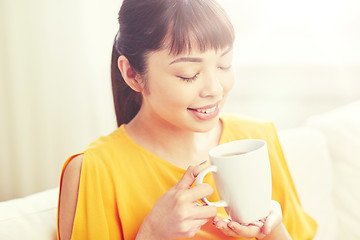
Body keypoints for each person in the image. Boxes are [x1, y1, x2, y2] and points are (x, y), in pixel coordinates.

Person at [57, 0, 318, 239]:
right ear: (132, 74)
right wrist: (152, 234)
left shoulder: (258, 140)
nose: (214, 89)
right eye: (188, 74)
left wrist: (273, 231)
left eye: (224, 64)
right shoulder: (93, 171)